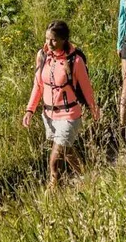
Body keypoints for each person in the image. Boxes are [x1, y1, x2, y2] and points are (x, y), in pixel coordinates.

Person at [22, 20, 100, 189]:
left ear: (64, 39)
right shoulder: (42, 56)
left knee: (54, 159)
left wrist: (93, 109)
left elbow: (86, 88)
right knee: (66, 150)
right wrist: (30, 109)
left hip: (69, 115)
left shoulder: (75, 61)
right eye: (47, 39)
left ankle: (53, 185)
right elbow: (38, 85)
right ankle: (88, 178)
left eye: (54, 40)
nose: (49, 43)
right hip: (49, 116)